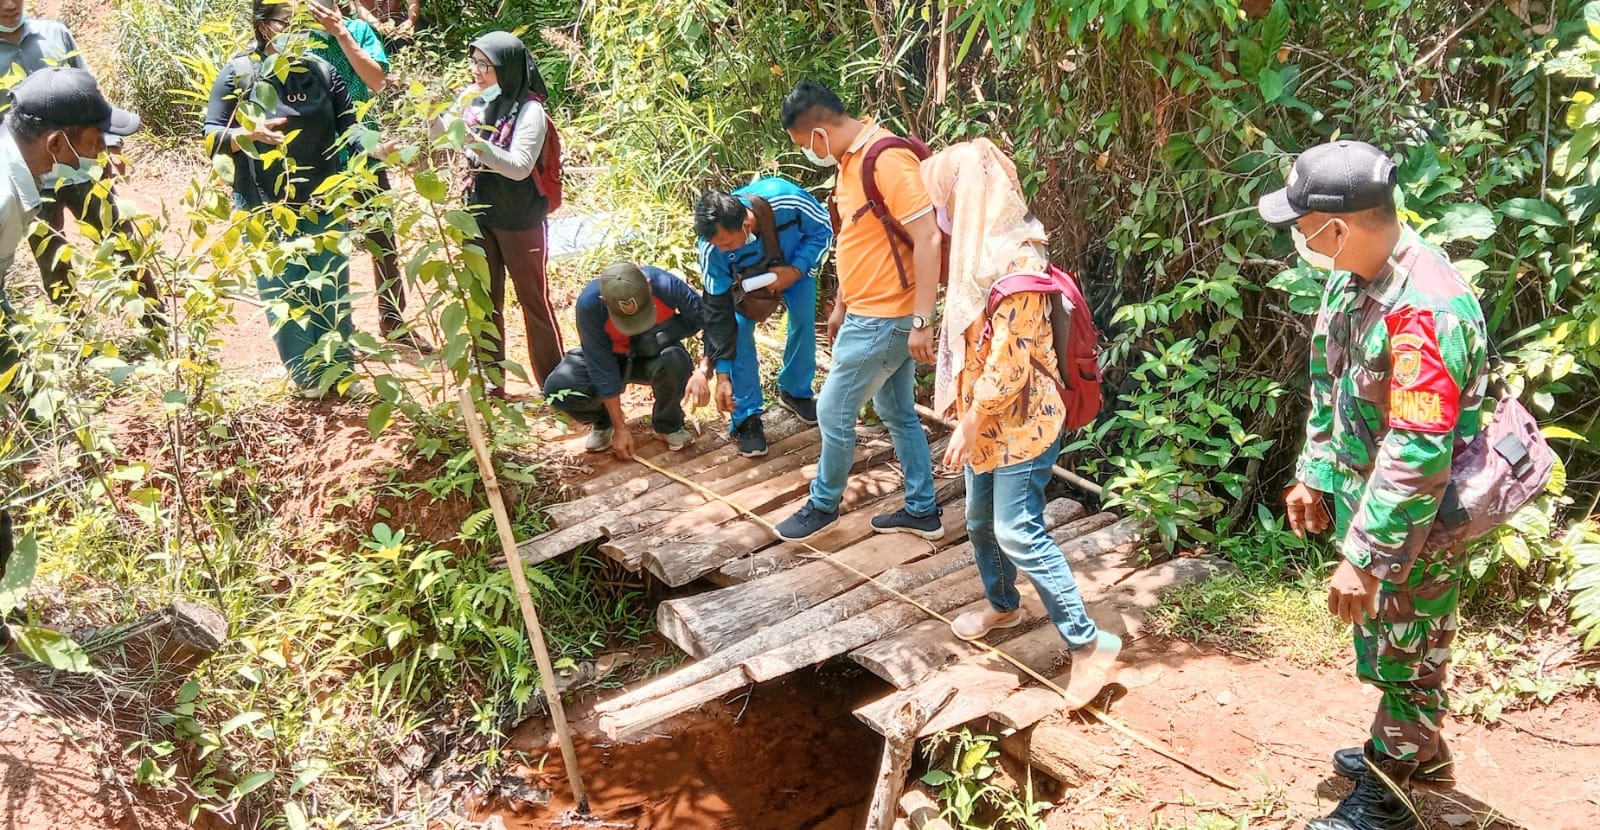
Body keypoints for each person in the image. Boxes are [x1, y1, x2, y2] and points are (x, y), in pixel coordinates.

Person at [1260, 140, 1488, 830]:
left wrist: (1366, 555)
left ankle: (1389, 794)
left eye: (1303, 225)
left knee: (1409, 649)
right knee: (1388, 639)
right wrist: (1314, 474)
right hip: (1372, 498)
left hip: (1419, 512)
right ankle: (1420, 751)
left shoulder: (1427, 310)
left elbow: (1419, 453)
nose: (1298, 237)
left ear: (1340, 225)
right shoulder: (1353, 277)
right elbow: (1330, 384)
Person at [922, 138, 1121, 707]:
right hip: (988, 420)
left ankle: (1090, 645)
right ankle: (1004, 605)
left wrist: (967, 422)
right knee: (981, 521)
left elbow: (1010, 366)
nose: (944, 214)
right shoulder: (981, 259)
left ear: (972, 199)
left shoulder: (1020, 263)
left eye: (948, 200)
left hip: (1024, 422)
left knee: (1017, 529)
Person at [773, 80, 942, 542]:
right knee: (898, 411)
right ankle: (923, 509)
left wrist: (922, 321)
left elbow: (927, 238)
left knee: (832, 409)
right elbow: (858, 238)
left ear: (820, 132)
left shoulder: (886, 159)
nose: (809, 152)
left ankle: (823, 504)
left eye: (805, 144)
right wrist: (841, 303)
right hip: (866, 310)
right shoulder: (849, 163)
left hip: (886, 318)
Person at [204, 0, 380, 396]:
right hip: (264, 203)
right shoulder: (240, 74)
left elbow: (350, 129)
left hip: (323, 199)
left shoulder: (323, 71)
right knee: (285, 288)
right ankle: (307, 378)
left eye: (304, 22)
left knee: (331, 284)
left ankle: (341, 372)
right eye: (289, 21)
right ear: (264, 26)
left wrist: (380, 146)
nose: (301, 30)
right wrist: (245, 136)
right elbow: (211, 134)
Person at [0, 0, 161, 326]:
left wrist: (110, 144)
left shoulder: (55, 33)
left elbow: (89, 92)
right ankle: (79, 337)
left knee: (120, 243)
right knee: (52, 258)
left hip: (82, 167)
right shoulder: (6, 200)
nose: (8, 5)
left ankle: (155, 324)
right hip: (30, 178)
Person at [435, 31, 562, 394]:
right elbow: (439, 134)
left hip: (520, 218)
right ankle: (491, 382)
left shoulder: (530, 110)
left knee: (533, 300)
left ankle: (556, 384)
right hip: (476, 213)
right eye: (473, 63)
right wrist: (433, 113)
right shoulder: (470, 100)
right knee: (484, 300)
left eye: (486, 66)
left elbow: (519, 166)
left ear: (506, 69)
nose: (477, 72)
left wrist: (473, 141)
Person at [307, 0, 432, 353]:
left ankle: (393, 323)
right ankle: (335, 330)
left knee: (382, 239)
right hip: (317, 154)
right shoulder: (295, 40)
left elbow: (377, 81)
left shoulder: (359, 30)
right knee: (326, 241)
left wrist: (342, 34)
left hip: (365, 149)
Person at [0, 67, 140, 374]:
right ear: (55, 144)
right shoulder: (4, 197)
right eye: (97, 140)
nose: (104, 147)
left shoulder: (19, 170)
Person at [694, 180, 832, 457]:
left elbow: (824, 230)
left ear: (746, 224)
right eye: (715, 244)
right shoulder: (712, 250)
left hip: (796, 264)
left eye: (726, 243)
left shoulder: (786, 199)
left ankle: (796, 390)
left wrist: (796, 269)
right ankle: (746, 417)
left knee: (803, 321)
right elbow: (718, 313)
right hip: (746, 282)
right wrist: (721, 376)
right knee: (740, 330)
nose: (721, 249)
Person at [544, 262, 713, 460]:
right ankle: (603, 422)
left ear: (648, 285)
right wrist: (620, 426)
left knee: (675, 361)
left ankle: (668, 424)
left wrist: (703, 370)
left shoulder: (666, 285)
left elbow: (711, 321)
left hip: (655, 351)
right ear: (603, 300)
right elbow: (601, 366)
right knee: (558, 389)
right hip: (611, 356)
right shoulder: (589, 305)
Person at [353, 0, 420, 52]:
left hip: (396, 27)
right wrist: (378, 25)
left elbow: (413, 3)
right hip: (369, 29)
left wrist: (410, 21)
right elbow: (360, 10)